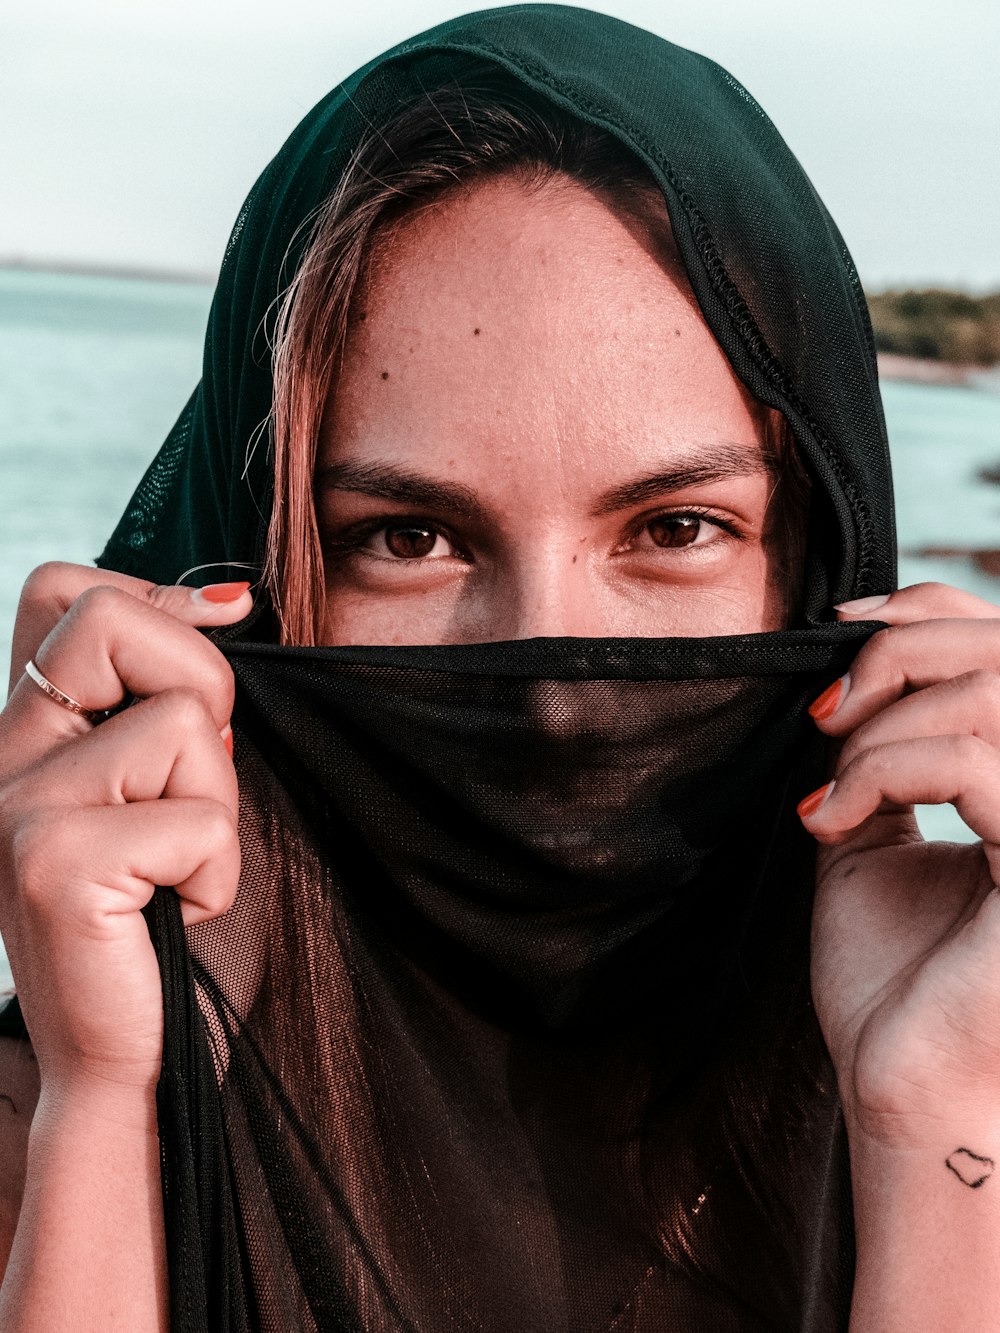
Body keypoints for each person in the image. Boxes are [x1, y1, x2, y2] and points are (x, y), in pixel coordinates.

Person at [2, 7, 1000, 1330]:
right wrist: (113, 1115)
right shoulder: (55, 1107)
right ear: (243, 574)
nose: (554, 687)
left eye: (675, 528)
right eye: (409, 538)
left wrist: (935, 1121)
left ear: (818, 558)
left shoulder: (973, 1085)